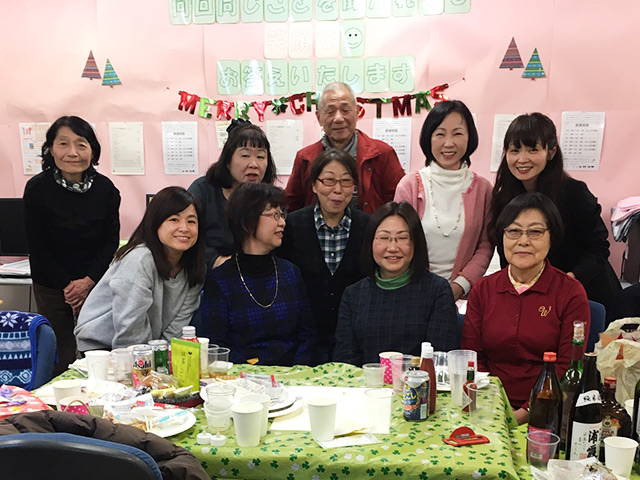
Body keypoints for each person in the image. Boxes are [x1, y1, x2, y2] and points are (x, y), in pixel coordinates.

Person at [462, 192, 590, 425]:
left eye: (535, 232)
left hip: (548, 412)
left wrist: (522, 414)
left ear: (552, 237)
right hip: (489, 406)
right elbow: (473, 357)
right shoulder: (483, 289)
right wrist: (491, 406)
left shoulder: (570, 292)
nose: (523, 241)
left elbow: (567, 367)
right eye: (513, 231)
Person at [490, 112, 621, 309]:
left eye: (533, 150)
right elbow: (506, 252)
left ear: (551, 152)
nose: (522, 159)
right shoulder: (504, 197)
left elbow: (598, 247)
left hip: (586, 293)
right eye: (515, 150)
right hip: (533, 295)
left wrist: (570, 279)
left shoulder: (574, 192)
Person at [23, 116, 120, 375]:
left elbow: (110, 241)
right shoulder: (37, 189)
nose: (72, 152)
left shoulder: (106, 189)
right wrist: (69, 287)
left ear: (92, 150)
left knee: (97, 352)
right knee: (59, 354)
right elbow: (38, 246)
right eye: (63, 144)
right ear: (51, 149)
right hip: (52, 287)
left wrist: (87, 282)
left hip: (96, 285)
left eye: (81, 144)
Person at [196, 183, 317, 366]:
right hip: (243, 376)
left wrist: (297, 370)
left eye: (282, 214)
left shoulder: (290, 272)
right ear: (246, 222)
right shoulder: (221, 280)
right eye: (274, 215)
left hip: (294, 374)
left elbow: (308, 335)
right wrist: (256, 375)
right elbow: (217, 347)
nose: (282, 222)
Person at [74, 187, 205, 351]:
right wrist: (145, 360)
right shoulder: (139, 259)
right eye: (174, 219)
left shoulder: (195, 266)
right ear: (155, 222)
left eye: (191, 221)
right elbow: (129, 329)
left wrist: (161, 356)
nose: (184, 228)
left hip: (149, 350)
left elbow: (177, 330)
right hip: (104, 347)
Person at [333, 202, 458, 366]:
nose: (392, 247)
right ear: (370, 242)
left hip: (418, 381)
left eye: (402, 238)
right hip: (365, 381)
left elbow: (439, 360)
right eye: (384, 238)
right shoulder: (353, 295)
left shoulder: (437, 291)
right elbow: (345, 362)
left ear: (416, 242)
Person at [394, 100, 493, 301]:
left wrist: (459, 286)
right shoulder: (409, 186)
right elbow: (399, 241)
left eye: (457, 133)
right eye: (440, 134)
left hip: (463, 297)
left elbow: (486, 245)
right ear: (428, 138)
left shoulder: (483, 189)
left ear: (470, 137)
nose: (448, 143)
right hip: (413, 294)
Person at [278, 149, 370, 362]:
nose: (338, 190)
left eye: (346, 181)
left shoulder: (368, 227)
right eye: (329, 180)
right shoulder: (292, 225)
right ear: (314, 185)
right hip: (303, 339)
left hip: (354, 338)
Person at [285, 82, 405, 214]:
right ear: (319, 118)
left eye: (345, 110)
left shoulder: (382, 153)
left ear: (357, 112)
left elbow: (399, 204)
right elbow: (291, 206)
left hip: (370, 226)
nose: (338, 118)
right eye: (330, 112)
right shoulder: (305, 158)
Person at [188, 119, 277, 269]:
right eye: (245, 155)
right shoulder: (203, 190)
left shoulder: (271, 198)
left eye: (260, 157)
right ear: (228, 161)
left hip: (255, 271)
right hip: (208, 271)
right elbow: (186, 233)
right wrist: (216, 261)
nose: (254, 164)